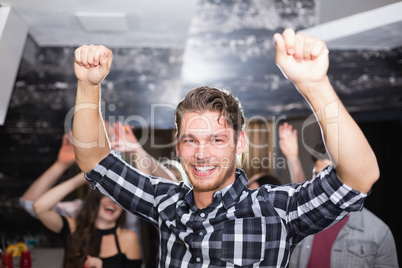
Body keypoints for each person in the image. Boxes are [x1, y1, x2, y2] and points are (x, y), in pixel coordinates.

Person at [70, 28, 379, 266]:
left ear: (239, 143)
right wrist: (88, 84)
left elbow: (359, 176)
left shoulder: (276, 210)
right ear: (178, 146)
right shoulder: (165, 203)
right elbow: (94, 160)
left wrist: (315, 85)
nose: (202, 154)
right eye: (191, 140)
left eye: (217, 140)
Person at [279, 123, 399, 267]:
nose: (322, 186)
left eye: (330, 180)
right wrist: (292, 157)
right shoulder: (303, 217)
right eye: (317, 176)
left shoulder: (377, 232)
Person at [33, 174, 142, 268]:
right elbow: (39, 207)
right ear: (96, 199)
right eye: (107, 195)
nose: (112, 203)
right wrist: (85, 175)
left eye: (118, 199)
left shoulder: (129, 238)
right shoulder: (74, 228)